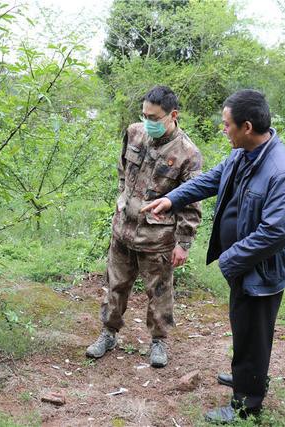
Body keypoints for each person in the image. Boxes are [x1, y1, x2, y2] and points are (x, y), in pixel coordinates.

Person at [142, 89, 285, 423]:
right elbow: (212, 180)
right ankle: (248, 376)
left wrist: (230, 260)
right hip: (243, 266)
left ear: (247, 126)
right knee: (244, 328)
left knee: (254, 333)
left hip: (258, 270)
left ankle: (247, 404)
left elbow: (276, 232)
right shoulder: (242, 155)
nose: (223, 129)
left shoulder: (282, 171)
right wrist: (171, 199)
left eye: (227, 124)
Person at [86, 85, 202, 368]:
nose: (148, 121)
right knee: (115, 286)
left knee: (159, 294)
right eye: (145, 115)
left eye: (154, 117)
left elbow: (191, 203)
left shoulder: (187, 153)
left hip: (157, 239)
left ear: (172, 115)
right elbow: (123, 169)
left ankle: (158, 341)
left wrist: (183, 243)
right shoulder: (134, 132)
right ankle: (109, 333)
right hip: (123, 231)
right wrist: (122, 196)